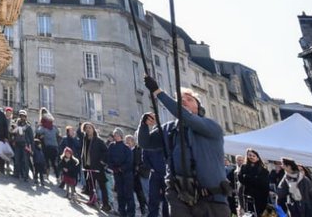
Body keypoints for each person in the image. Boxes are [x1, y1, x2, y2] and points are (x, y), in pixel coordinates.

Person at [144, 76, 228, 216]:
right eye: (180, 101)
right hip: (180, 197)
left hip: (212, 200)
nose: (184, 102)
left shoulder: (211, 126)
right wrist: (144, 126)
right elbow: (145, 142)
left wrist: (158, 92)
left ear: (198, 106)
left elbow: (187, 117)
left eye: (189, 99)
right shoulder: (170, 128)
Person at [106, 127, 136, 217]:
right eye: (114, 134)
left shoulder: (126, 148)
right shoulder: (112, 146)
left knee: (128, 194)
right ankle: (121, 212)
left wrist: (121, 168)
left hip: (127, 174)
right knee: (120, 194)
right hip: (117, 174)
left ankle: (131, 213)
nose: (116, 136)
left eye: (117, 134)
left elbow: (129, 161)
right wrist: (113, 167)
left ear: (121, 135)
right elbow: (109, 158)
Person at [81, 122, 110, 210]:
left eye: (89, 128)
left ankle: (106, 205)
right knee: (90, 184)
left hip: (98, 167)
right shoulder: (85, 140)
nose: (88, 129)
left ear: (93, 129)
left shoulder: (98, 140)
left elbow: (106, 151)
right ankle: (92, 200)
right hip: (88, 167)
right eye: (86, 128)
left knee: (102, 186)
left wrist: (101, 161)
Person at [237, 148, 271, 216]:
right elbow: (241, 178)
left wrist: (249, 178)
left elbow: (264, 184)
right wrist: (252, 179)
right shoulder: (244, 167)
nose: (251, 157)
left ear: (258, 157)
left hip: (260, 197)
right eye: (250, 155)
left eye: (253, 156)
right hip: (247, 195)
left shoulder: (263, 170)